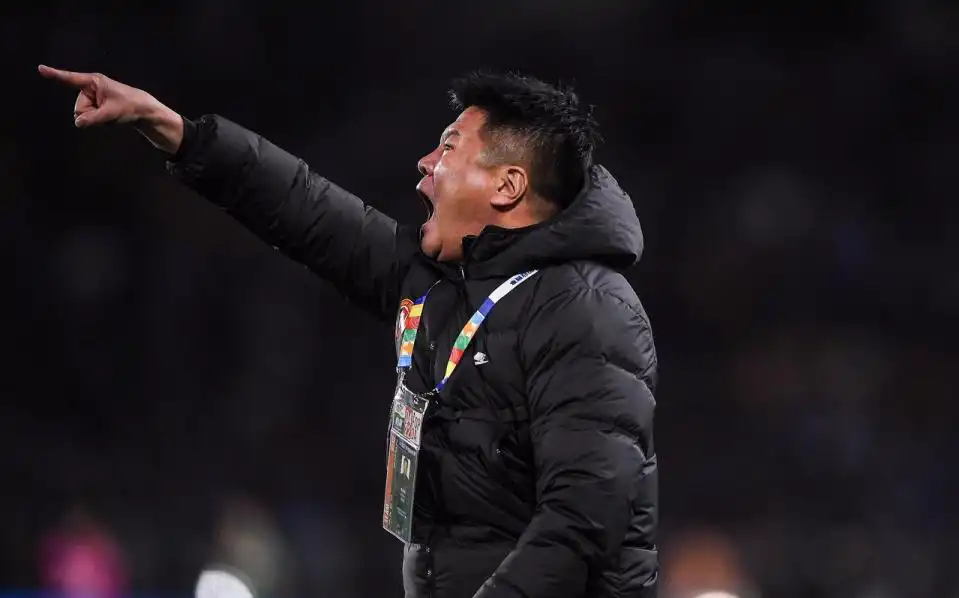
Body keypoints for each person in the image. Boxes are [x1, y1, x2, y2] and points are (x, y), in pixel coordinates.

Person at [39, 64, 660, 598]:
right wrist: (174, 129)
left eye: (449, 148)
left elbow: (583, 518)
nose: (425, 164)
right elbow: (308, 208)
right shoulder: (442, 285)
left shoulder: (588, 309)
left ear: (507, 185)